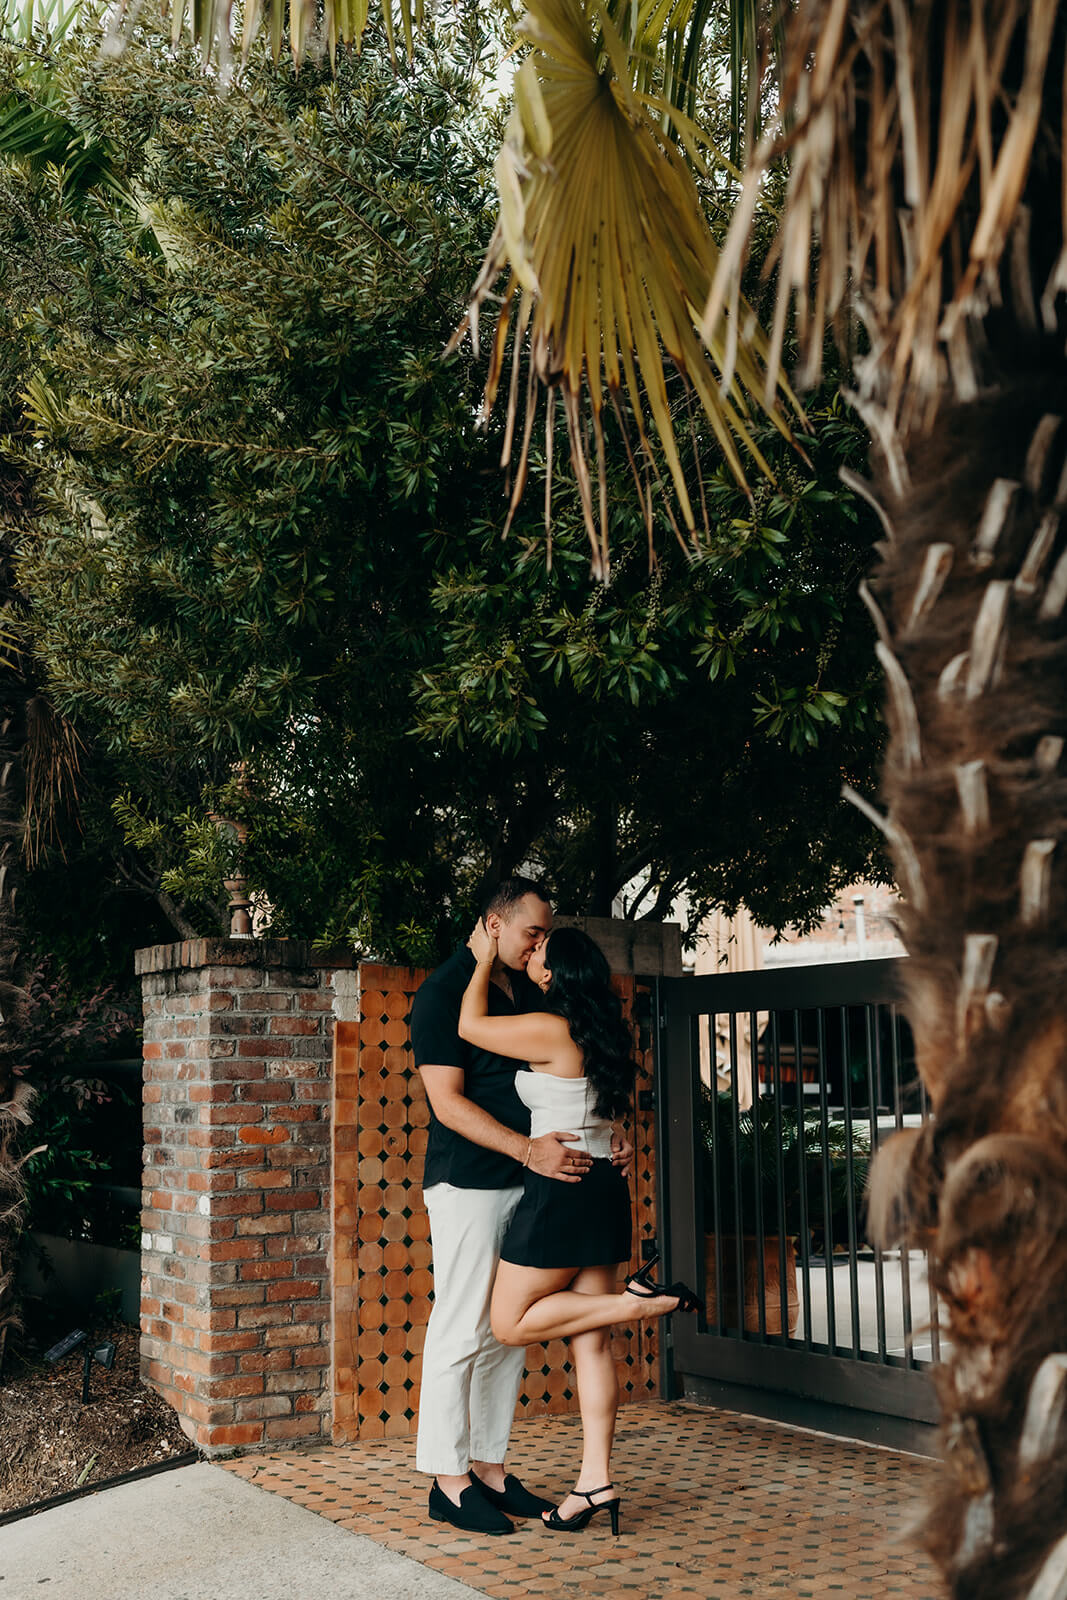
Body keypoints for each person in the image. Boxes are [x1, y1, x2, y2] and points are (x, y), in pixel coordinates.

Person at [458, 921, 701, 1538]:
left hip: (560, 1188)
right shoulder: (603, 1031)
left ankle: (636, 1303)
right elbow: (607, 1116)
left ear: (557, 972)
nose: (531, 952)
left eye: (540, 950)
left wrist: (484, 961)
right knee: (591, 1341)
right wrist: (616, 1141)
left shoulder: (551, 1027)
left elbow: (469, 1028)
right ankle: (595, 1481)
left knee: (509, 1321)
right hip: (603, 1187)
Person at [411, 877, 633, 1536]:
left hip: (537, 1182)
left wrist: (604, 1133)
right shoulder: (443, 991)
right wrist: (525, 1149)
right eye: (533, 932)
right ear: (494, 924)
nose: (541, 943)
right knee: (461, 1328)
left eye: (544, 935)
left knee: (508, 1335)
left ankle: (488, 1469)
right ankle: (448, 1481)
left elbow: (574, 1078)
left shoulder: (523, 990)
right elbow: (446, 1102)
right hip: (473, 1179)